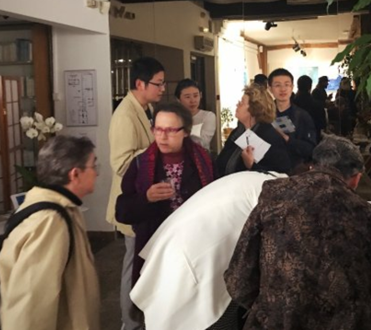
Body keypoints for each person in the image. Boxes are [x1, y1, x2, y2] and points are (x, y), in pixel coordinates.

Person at [225, 135, 371, 330]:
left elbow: (238, 280)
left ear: (312, 166)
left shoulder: (273, 196)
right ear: (356, 178)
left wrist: (272, 307)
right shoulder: (369, 216)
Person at [130, 171, 286, 330]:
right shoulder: (275, 195)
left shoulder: (261, 180)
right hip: (192, 255)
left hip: (184, 246)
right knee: (204, 317)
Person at [0, 135, 100, 330]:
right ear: (75, 174)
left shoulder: (62, 208)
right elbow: (31, 305)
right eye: (93, 166)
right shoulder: (50, 221)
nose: (97, 173)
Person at [115, 103, 214, 286]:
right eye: (158, 129)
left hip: (196, 247)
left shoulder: (203, 161)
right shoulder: (141, 164)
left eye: (170, 130)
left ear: (186, 131)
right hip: (155, 247)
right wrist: (146, 198)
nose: (162, 136)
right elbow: (122, 212)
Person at [106, 56, 165, 330]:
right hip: (131, 201)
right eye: (158, 83)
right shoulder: (125, 115)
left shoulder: (146, 108)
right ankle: (128, 322)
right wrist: (157, 149)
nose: (162, 89)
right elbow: (120, 163)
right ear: (140, 83)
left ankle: (143, 317)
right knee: (132, 266)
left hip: (146, 200)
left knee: (143, 263)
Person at [216, 83, 291, 177]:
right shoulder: (237, 132)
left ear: (254, 109)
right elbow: (221, 161)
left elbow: (281, 173)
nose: (237, 104)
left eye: (242, 102)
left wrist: (251, 165)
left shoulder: (268, 135)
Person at [268, 68, 317, 170]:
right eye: (277, 85)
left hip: (294, 171)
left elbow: (310, 149)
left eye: (287, 85)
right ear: (270, 89)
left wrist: (287, 139)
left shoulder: (302, 116)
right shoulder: (264, 115)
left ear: (292, 87)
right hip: (268, 170)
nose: (283, 89)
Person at [175, 78, 216, 151]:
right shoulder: (173, 117)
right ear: (178, 100)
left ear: (200, 95)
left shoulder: (208, 116)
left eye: (195, 96)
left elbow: (203, 142)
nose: (193, 100)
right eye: (187, 97)